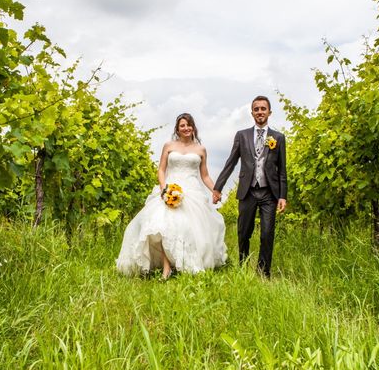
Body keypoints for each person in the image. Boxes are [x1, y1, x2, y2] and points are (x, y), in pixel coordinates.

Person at [116, 113, 227, 279]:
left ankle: (183, 262)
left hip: (192, 192)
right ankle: (166, 268)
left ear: (193, 127)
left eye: (189, 125)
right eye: (182, 125)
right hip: (170, 189)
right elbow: (161, 169)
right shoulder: (169, 145)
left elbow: (204, 176)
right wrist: (164, 189)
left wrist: (215, 190)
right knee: (160, 224)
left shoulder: (200, 149)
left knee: (186, 228)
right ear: (177, 129)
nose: (186, 128)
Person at [212, 96, 287, 278]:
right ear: (252, 112)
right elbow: (230, 162)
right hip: (247, 191)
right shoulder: (242, 135)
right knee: (244, 232)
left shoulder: (278, 137)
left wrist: (283, 196)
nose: (260, 112)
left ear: (269, 112)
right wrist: (218, 187)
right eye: (256, 109)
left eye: (263, 108)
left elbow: (282, 169)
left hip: (269, 192)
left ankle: (263, 273)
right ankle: (243, 267)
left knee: (267, 233)